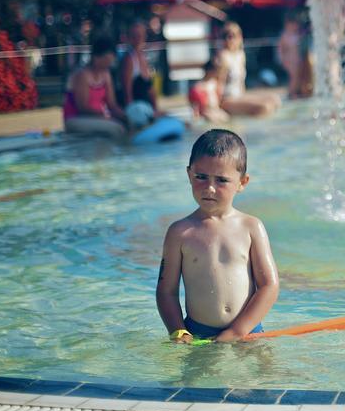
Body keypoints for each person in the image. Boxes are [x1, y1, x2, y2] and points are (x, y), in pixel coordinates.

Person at [156, 129, 280, 343]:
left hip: (247, 333)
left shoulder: (251, 227)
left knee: (260, 377)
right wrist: (178, 330)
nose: (210, 188)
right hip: (197, 335)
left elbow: (269, 285)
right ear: (189, 174)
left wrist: (237, 331)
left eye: (221, 180)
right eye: (201, 177)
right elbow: (166, 291)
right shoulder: (180, 232)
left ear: (242, 183)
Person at [63, 35, 127, 138]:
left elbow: (112, 105)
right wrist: (105, 116)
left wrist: (126, 116)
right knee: (116, 129)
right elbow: (82, 108)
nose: (110, 63)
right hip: (75, 119)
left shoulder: (106, 74)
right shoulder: (82, 75)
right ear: (96, 57)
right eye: (107, 59)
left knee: (125, 125)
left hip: (97, 118)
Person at [215, 22, 281, 117]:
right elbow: (218, 83)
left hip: (239, 96)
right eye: (225, 36)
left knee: (275, 100)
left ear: (240, 37)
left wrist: (247, 99)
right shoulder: (223, 56)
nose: (229, 39)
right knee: (264, 107)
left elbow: (241, 84)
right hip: (227, 99)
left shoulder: (240, 55)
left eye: (233, 35)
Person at [120, 19, 158, 110]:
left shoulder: (143, 57)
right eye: (135, 36)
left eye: (141, 35)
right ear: (129, 38)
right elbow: (127, 92)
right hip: (137, 109)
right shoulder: (129, 59)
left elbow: (150, 89)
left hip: (146, 107)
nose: (138, 38)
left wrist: (156, 109)